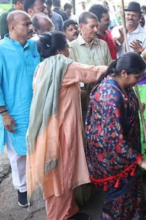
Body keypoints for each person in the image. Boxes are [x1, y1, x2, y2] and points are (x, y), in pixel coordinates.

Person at [26, 31, 107, 220]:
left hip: (46, 129)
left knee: (58, 174)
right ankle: (58, 216)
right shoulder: (64, 66)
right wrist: (119, 66)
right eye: (68, 47)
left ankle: (68, 211)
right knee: (61, 176)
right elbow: (93, 72)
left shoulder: (42, 67)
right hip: (61, 130)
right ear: (61, 50)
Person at [85, 52, 146, 220]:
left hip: (125, 149)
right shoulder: (111, 96)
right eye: (137, 77)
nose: (138, 81)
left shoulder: (121, 84)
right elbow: (113, 141)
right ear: (124, 73)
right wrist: (141, 161)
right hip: (112, 156)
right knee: (119, 200)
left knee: (131, 193)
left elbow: (127, 102)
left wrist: (135, 105)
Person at [0, 10, 40, 207]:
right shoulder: (1, 49)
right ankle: (22, 190)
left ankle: (38, 184)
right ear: (12, 27)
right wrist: (3, 113)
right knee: (18, 155)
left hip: (38, 108)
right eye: (26, 24)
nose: (30, 27)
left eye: (30, 23)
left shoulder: (34, 46)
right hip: (15, 111)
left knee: (39, 148)